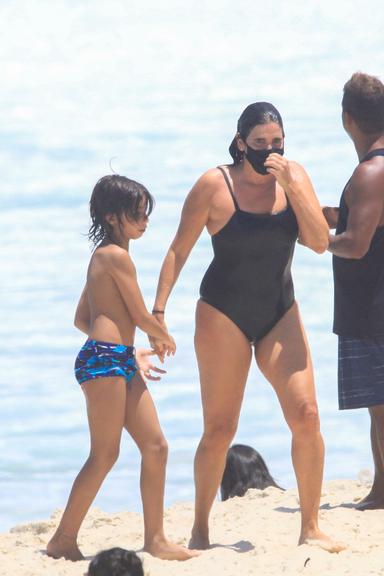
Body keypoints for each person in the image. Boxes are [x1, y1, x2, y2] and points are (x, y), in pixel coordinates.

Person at [151, 102, 342, 551]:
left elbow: (317, 243)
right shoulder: (214, 185)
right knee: (220, 428)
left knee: (307, 415)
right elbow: (178, 250)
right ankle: (200, 529)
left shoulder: (294, 178)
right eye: (260, 144)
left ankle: (310, 526)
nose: (270, 151)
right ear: (241, 143)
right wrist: (158, 314)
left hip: (280, 310)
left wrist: (293, 186)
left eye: (277, 143)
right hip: (223, 314)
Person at [46, 175, 197, 561]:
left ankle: (155, 540)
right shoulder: (115, 256)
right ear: (113, 217)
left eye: (146, 212)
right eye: (136, 214)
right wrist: (161, 337)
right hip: (104, 360)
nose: (144, 221)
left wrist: (128, 348)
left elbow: (83, 317)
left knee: (156, 446)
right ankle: (63, 539)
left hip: (115, 357)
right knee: (105, 454)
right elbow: (139, 313)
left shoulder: (101, 256)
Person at [324, 72, 384, 510]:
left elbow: (356, 243)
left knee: (380, 406)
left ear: (348, 119)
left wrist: (318, 237)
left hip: (372, 307)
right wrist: (326, 213)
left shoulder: (370, 171)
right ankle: (381, 490)